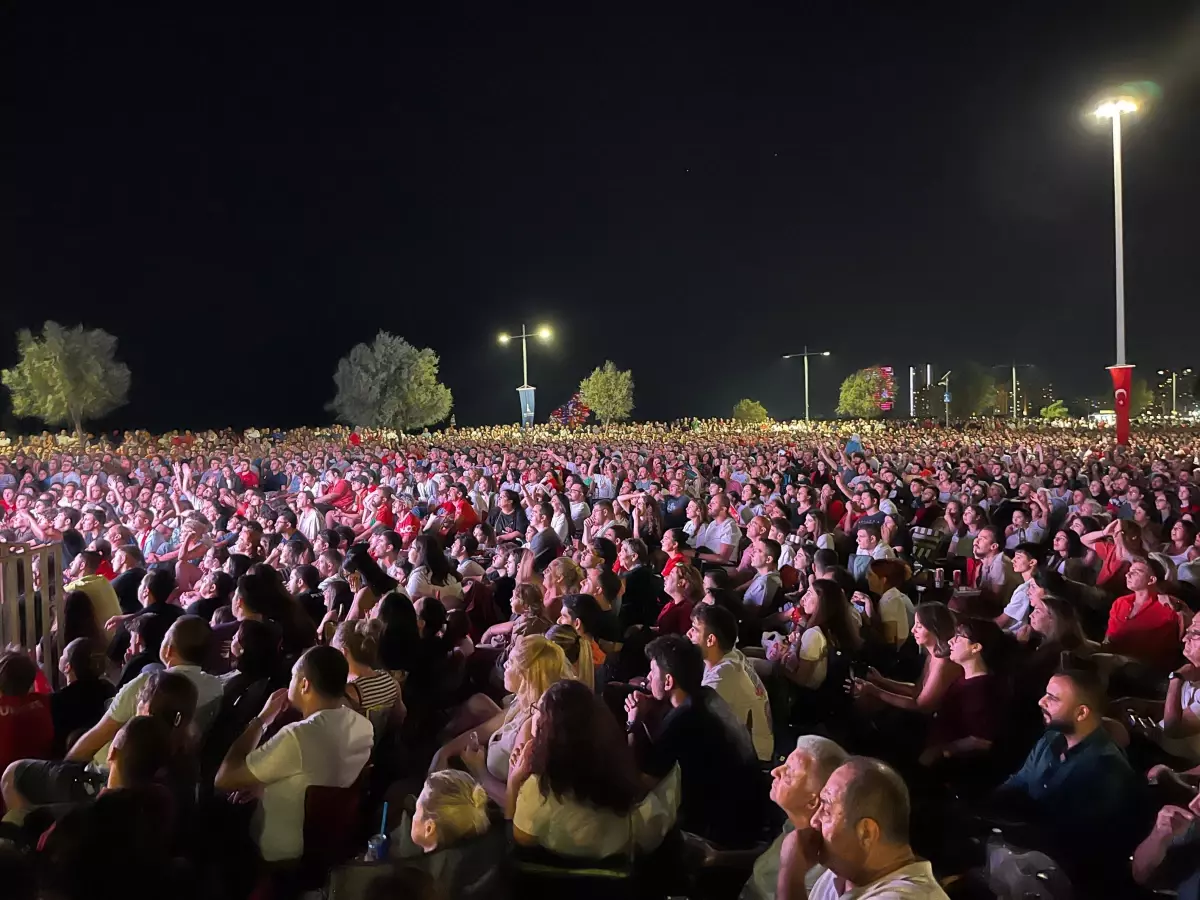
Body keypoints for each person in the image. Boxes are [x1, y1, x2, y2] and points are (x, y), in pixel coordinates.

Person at [214, 645, 375, 862]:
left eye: (292, 676)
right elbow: (316, 775)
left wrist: (262, 719)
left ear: (304, 685)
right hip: (328, 839)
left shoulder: (297, 736)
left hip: (282, 851)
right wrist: (262, 784)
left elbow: (224, 779)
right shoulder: (364, 726)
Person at [991, 667, 1145, 876]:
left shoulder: (1106, 769)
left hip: (1065, 873)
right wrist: (984, 809)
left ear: (1081, 712)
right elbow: (1020, 781)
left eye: (1052, 698)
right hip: (1027, 846)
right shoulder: (1051, 738)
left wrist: (1006, 832)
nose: (1041, 702)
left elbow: (1073, 841)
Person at [507, 679, 676, 858]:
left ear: (547, 731)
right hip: (614, 884)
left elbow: (517, 843)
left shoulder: (539, 792)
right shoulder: (619, 778)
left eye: (537, 711)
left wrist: (514, 781)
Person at [625, 634, 763, 848]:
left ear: (669, 681)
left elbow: (641, 785)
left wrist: (633, 724)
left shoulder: (684, 718)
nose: (648, 678)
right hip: (753, 813)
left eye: (653, 672)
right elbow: (667, 750)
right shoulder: (706, 697)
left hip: (722, 831)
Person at [777, 756, 949, 899]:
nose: (814, 821)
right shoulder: (844, 872)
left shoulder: (906, 897)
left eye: (827, 810)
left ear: (866, 833)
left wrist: (791, 874)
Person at [433, 635, 573, 804]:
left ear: (525, 675)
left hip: (493, 805)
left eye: (511, 662)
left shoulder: (532, 729)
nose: (505, 664)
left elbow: (519, 805)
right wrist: (444, 752)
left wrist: (478, 770)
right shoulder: (523, 701)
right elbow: (486, 729)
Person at [739, 736, 849, 900]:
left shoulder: (820, 871)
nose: (775, 772)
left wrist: (792, 868)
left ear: (812, 801)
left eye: (789, 772)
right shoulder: (793, 824)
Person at [689, 603, 774, 761]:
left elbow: (694, 723)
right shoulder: (731, 655)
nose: (689, 634)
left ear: (711, 640)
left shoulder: (721, 677)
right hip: (754, 746)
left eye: (694, 629)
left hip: (753, 759)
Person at [0, 651, 54, 813]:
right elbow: (45, 687)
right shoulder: (42, 702)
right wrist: (35, 669)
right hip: (37, 784)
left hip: (5, 793)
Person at [50, 637, 117, 757]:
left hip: (69, 758)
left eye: (64, 654)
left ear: (67, 667)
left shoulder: (57, 700)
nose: (60, 656)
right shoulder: (108, 688)